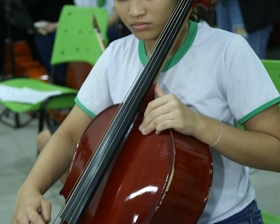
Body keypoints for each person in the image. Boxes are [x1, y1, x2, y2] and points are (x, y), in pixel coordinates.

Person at [12, 0, 280, 223]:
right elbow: (70, 134)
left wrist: (200, 125)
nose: (135, 10)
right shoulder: (115, 56)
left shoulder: (226, 52)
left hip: (223, 218)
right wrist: (31, 187)